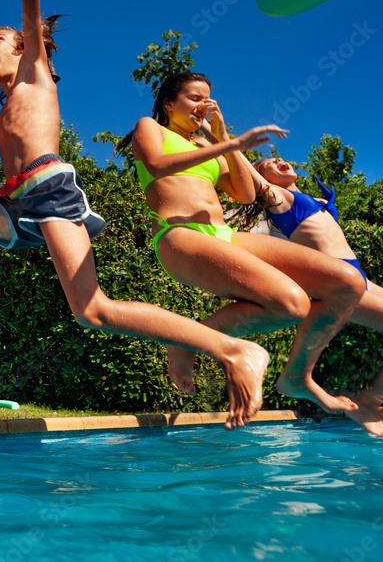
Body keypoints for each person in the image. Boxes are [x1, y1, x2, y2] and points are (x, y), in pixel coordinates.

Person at [0, 0, 271, 430]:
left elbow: (31, 1)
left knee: (92, 310)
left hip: (52, 193)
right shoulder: (0, 118)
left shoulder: (35, 76)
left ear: (27, 49)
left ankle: (233, 347)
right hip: (15, 207)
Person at [124, 72, 368, 422]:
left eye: (207, 101)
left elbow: (245, 193)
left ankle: (294, 375)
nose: (202, 107)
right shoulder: (150, 126)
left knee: (346, 283)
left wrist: (224, 140)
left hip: (223, 234)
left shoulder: (208, 146)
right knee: (294, 303)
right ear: (169, 103)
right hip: (179, 235)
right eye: (194, 98)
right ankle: (188, 339)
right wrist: (231, 146)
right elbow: (156, 165)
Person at [242, 156, 383, 435]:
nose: (278, 161)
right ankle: (370, 403)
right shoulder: (277, 198)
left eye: (280, 158)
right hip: (341, 284)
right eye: (268, 164)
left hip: (361, 279)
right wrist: (223, 138)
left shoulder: (305, 197)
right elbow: (247, 173)